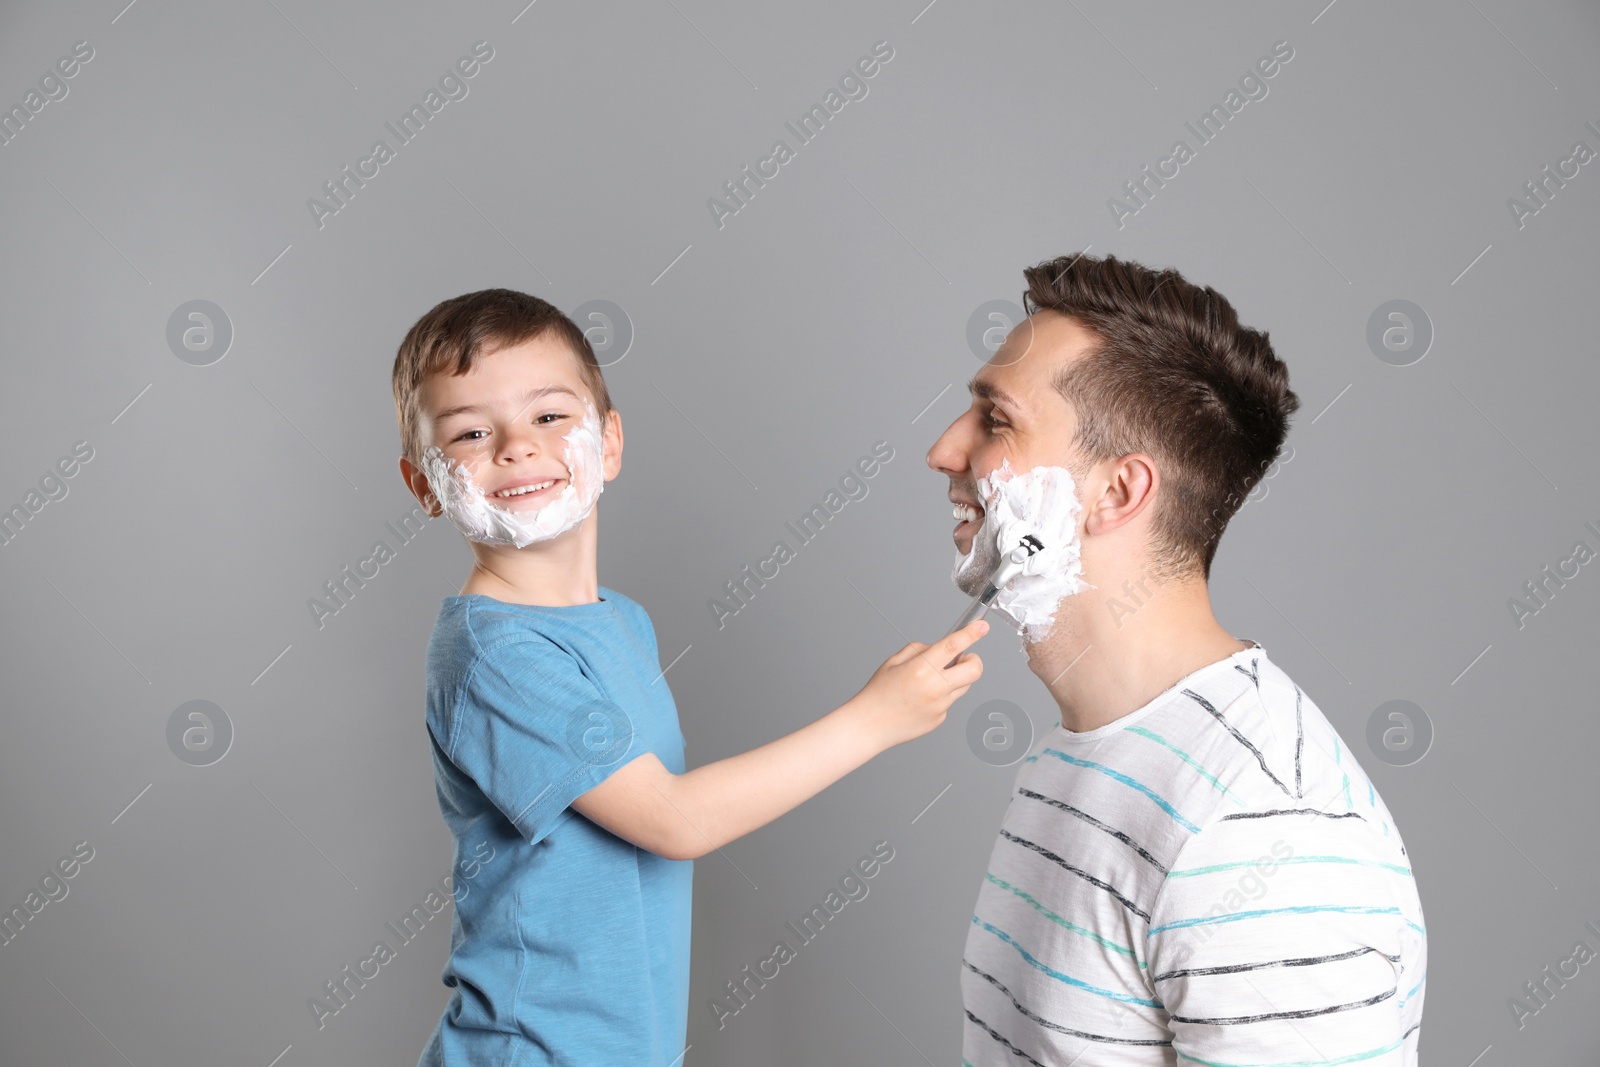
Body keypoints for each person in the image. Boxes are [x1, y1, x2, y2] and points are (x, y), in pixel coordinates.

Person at [390, 288, 988, 1065]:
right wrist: (873, 720)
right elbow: (674, 821)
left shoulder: (622, 621)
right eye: (470, 431)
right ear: (426, 484)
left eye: (547, 416)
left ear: (608, 443)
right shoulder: (494, 653)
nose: (515, 446)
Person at [929, 253, 1425, 1065]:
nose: (945, 451)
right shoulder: (1093, 748)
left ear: (1117, 492)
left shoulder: (1265, 828)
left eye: (996, 419)